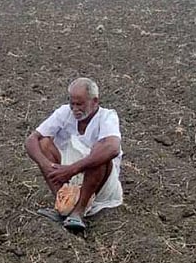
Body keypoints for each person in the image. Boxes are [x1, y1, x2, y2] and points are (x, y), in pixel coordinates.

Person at [24, 77, 123, 232]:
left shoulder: (107, 117)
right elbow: (32, 140)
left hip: (99, 181)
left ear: (95, 101)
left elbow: (113, 148)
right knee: (44, 143)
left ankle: (79, 211)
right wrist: (46, 165)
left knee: (100, 153)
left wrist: (72, 169)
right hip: (69, 174)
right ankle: (64, 203)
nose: (75, 109)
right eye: (72, 104)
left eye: (80, 104)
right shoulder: (64, 112)